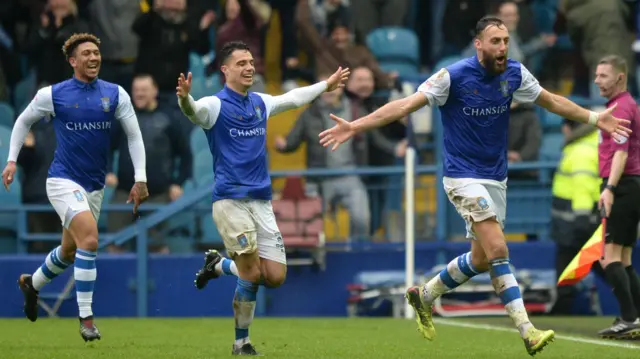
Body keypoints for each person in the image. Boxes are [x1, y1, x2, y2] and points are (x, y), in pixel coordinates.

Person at [318, 16, 631, 355]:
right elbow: (404, 106)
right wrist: (355, 126)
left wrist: (595, 118)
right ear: (478, 44)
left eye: (506, 41)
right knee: (498, 248)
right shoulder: (452, 76)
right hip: (462, 176)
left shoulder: (515, 73)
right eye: (495, 41)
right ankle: (527, 330)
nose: (502, 48)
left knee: (482, 260)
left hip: (496, 177)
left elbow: (551, 100)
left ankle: (424, 295)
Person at [176, 40, 349, 356]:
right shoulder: (215, 105)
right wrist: (186, 99)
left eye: (251, 61)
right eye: (241, 62)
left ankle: (217, 266)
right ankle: (241, 342)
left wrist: (326, 85)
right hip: (230, 201)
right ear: (225, 69)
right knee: (252, 272)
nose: (249, 67)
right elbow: (196, 112)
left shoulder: (259, 102)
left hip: (261, 202)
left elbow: (293, 98)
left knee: (275, 276)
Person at [1, 33, 149, 342]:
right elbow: (22, 122)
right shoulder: (53, 94)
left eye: (97, 53)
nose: (94, 58)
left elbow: (134, 136)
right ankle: (86, 318)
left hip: (94, 187)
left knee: (70, 250)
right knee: (91, 241)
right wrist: (12, 160)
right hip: (62, 180)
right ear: (72, 61)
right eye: (87, 54)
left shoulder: (116, 94)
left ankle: (32, 283)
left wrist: (140, 178)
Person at [593, 55, 640, 339]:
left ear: (619, 78)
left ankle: (628, 318)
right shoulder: (622, 105)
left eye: (603, 76)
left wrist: (609, 189)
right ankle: (634, 316)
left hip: (621, 186)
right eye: (597, 75)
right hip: (629, 185)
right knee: (623, 259)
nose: (597, 80)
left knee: (608, 257)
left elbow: (620, 153)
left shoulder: (621, 107)